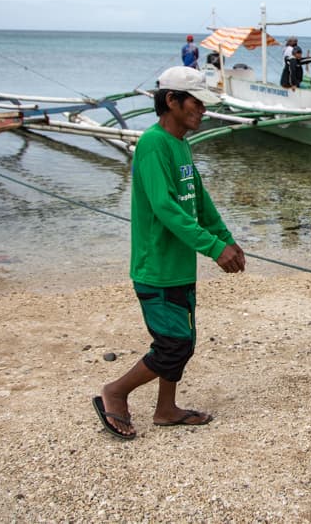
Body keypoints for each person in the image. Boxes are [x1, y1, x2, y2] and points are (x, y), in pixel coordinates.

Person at [94, 66, 246, 440]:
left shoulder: (181, 144)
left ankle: (165, 409)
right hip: (156, 267)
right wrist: (213, 248)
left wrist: (226, 238)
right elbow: (165, 207)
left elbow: (199, 201)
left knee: (184, 342)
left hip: (179, 266)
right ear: (173, 101)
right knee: (172, 345)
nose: (203, 110)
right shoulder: (152, 143)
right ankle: (115, 391)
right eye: (197, 102)